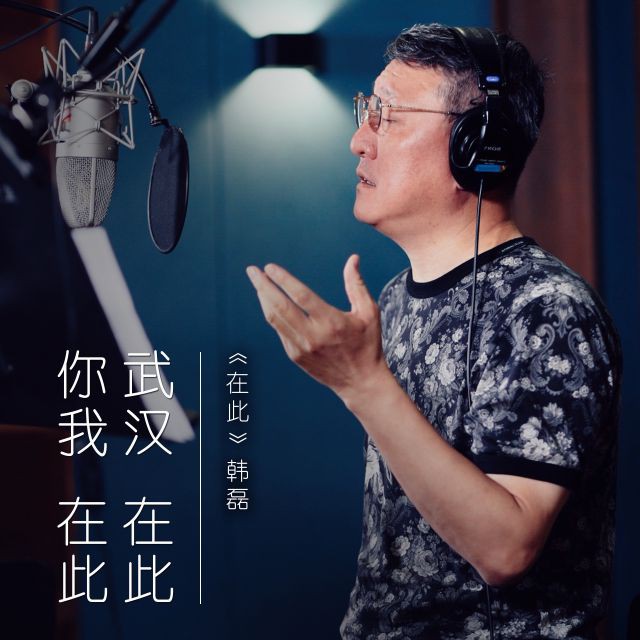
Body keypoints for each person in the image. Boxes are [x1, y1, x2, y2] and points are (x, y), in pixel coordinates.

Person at [246, 23, 621, 640]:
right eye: (367, 111)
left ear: (478, 145)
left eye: (388, 116)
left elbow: (506, 548)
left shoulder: (548, 311)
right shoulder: (395, 299)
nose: (358, 140)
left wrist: (363, 385)